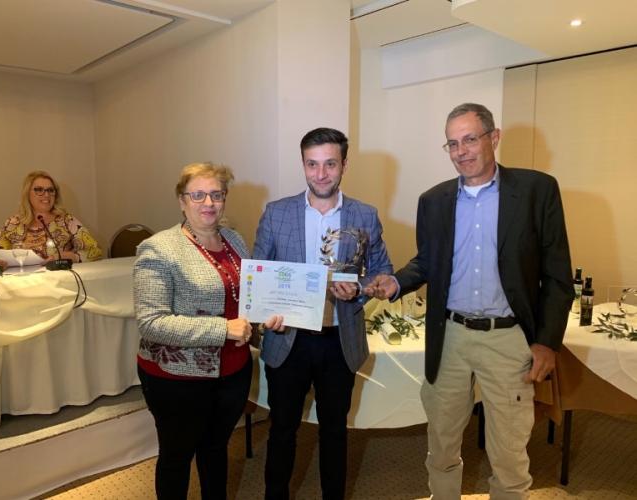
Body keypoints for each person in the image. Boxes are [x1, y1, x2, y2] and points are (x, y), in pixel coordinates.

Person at [366, 103, 574, 499]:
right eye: (452, 143)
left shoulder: (537, 190)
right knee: (441, 442)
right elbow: (428, 260)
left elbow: (558, 275)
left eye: (469, 139)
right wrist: (394, 282)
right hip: (451, 337)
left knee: (509, 452)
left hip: (508, 338)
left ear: (493, 138)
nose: (461, 151)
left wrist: (547, 342)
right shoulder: (433, 200)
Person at [253, 127, 393, 500]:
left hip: (338, 342)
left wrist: (359, 289)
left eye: (330, 164)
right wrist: (265, 312)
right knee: (282, 429)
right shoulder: (277, 213)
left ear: (344, 165)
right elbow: (258, 272)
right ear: (303, 165)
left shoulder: (365, 215)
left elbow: (383, 272)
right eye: (312, 164)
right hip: (288, 340)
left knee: (334, 431)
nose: (321, 174)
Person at [134, 162, 283, 500]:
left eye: (217, 194)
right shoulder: (158, 248)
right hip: (176, 377)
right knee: (177, 457)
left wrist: (264, 319)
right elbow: (151, 322)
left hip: (233, 371)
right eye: (198, 195)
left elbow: (245, 300)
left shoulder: (234, 240)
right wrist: (223, 329)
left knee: (216, 449)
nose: (209, 203)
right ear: (181, 200)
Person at [0, 171, 102, 263]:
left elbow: (95, 251)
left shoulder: (67, 221)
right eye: (39, 190)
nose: (46, 195)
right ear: (27, 193)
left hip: (60, 276)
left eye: (50, 190)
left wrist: (66, 256)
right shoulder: (12, 223)